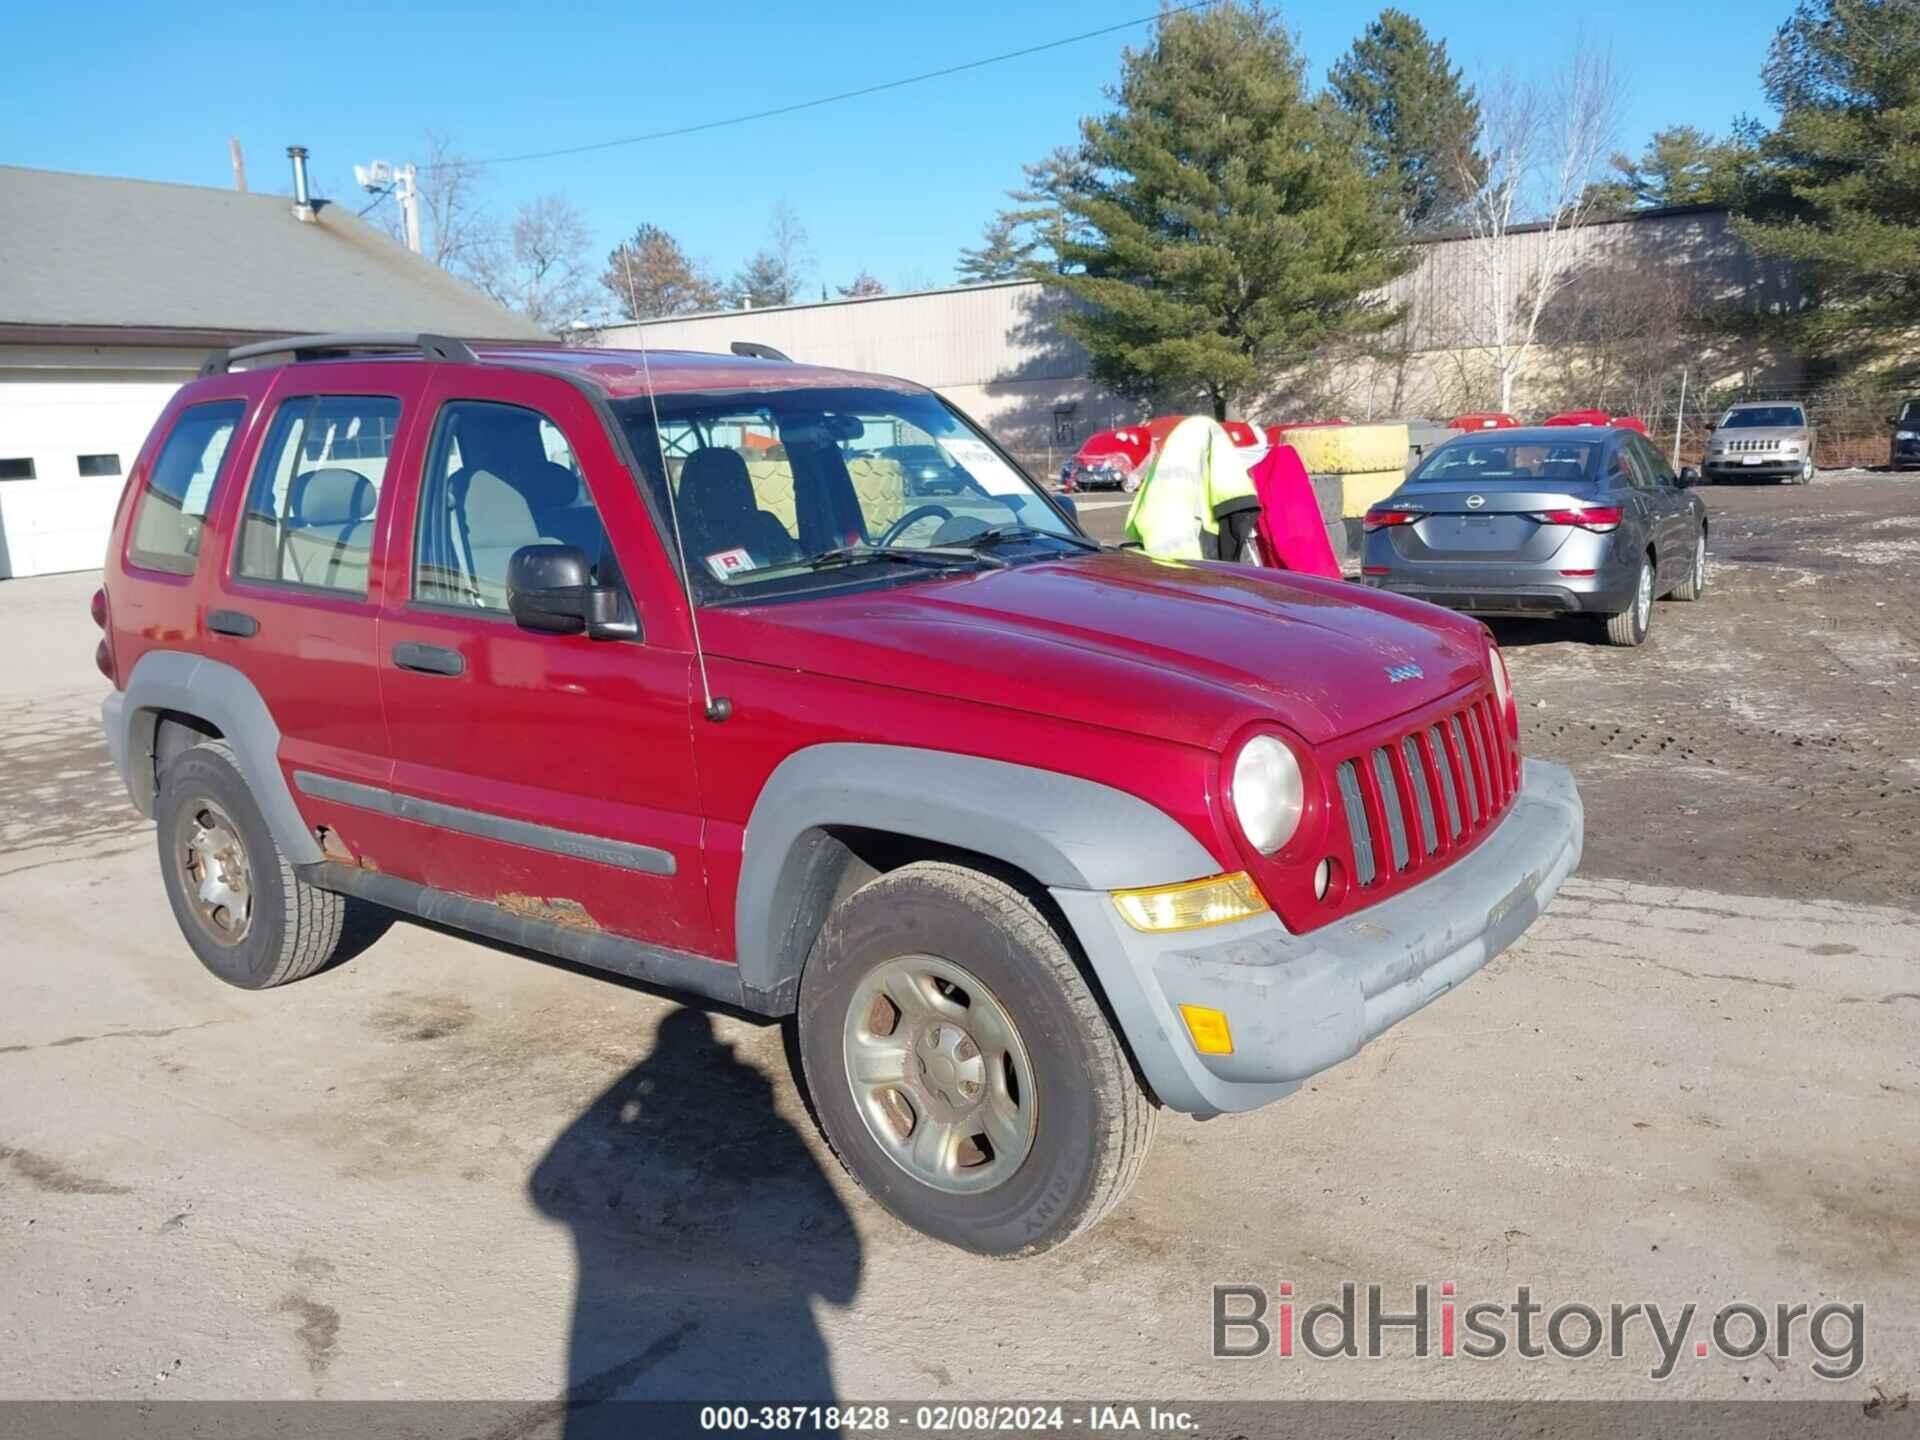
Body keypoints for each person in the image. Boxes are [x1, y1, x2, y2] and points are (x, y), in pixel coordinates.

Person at [1122, 416, 1262, 562]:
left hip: (1156, 553)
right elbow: (1236, 501)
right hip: (1196, 553)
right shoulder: (1209, 436)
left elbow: (1137, 518)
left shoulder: (1164, 466)